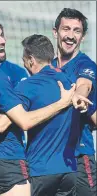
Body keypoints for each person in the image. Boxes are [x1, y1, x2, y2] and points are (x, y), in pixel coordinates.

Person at [0, 19, 89, 196]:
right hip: (8, 161)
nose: (2, 41)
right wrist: (63, 103)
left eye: (2, 35)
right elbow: (16, 122)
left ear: (30, 60)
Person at [16, 34, 80, 196]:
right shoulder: (71, 82)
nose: (24, 64)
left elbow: (14, 120)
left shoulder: (27, 86)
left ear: (31, 59)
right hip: (69, 170)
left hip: (40, 169)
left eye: (24, 59)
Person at [52, 8, 97, 195]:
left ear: (83, 36)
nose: (70, 36)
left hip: (79, 157)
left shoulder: (85, 64)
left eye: (76, 31)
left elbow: (84, 84)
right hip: (49, 159)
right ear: (55, 32)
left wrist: (78, 96)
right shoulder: (48, 67)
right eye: (66, 29)